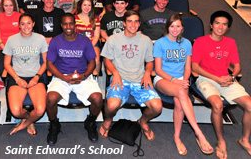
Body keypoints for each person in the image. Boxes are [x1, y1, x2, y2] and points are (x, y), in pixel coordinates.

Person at [192, 11, 251, 159]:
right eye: (217, 23)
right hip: (206, 78)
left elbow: (237, 66)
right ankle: (221, 141)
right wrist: (217, 79)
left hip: (226, 78)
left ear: (228, 27)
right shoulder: (200, 41)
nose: (220, 27)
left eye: (224, 24)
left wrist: (231, 76)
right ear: (211, 25)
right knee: (217, 105)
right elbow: (195, 67)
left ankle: (244, 140)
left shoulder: (230, 42)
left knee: (250, 105)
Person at [153, 14, 213, 156]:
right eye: (172, 26)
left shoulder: (186, 43)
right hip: (163, 79)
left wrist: (185, 80)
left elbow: (188, 68)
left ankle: (177, 136)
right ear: (167, 27)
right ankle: (199, 133)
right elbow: (158, 70)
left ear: (182, 28)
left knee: (179, 104)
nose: (175, 29)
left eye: (178, 26)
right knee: (181, 93)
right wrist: (175, 80)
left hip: (181, 79)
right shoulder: (160, 43)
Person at [100, 10, 162, 141]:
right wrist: (115, 73)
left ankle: (143, 121)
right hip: (120, 78)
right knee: (111, 105)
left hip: (140, 80)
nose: (133, 24)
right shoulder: (113, 39)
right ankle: (108, 120)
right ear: (124, 23)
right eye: (129, 21)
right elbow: (107, 60)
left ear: (139, 24)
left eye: (136, 21)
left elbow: (150, 61)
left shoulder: (146, 41)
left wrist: (147, 73)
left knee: (157, 107)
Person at [46, 13, 103, 144]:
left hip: (82, 77)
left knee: (98, 98)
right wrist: (63, 77)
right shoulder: (56, 41)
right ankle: (54, 124)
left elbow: (92, 62)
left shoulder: (84, 41)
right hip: (62, 77)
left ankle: (90, 122)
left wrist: (84, 76)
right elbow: (49, 64)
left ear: (75, 25)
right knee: (50, 99)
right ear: (61, 26)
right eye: (65, 24)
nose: (68, 26)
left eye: (71, 23)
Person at [4, 13, 48, 136]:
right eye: (22, 24)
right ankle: (30, 120)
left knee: (40, 110)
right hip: (17, 77)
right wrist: (17, 79)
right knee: (16, 111)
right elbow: (7, 64)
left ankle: (24, 124)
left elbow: (46, 62)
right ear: (19, 25)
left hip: (35, 76)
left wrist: (37, 77)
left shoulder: (40, 38)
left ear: (33, 24)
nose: (26, 26)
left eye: (29, 23)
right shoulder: (12, 40)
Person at [0, 0, 21, 78]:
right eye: (6, 5)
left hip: (18, 48)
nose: (8, 8)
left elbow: (22, 35)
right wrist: (6, 50)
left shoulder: (19, 16)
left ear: (14, 5)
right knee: (2, 69)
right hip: (3, 48)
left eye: (11, 5)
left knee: (17, 69)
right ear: (2, 6)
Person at [75, 0, 101, 76]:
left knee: (96, 59)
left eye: (89, 5)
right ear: (81, 6)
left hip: (92, 43)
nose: (87, 7)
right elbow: (73, 36)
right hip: (78, 44)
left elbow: (96, 35)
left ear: (92, 7)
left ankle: (95, 77)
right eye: (84, 5)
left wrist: (89, 46)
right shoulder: (74, 18)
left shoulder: (96, 19)